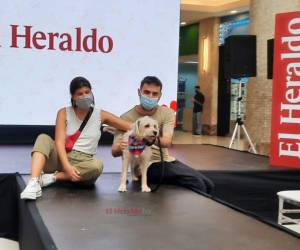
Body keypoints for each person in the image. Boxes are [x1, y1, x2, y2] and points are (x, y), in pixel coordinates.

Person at [21, 76, 131, 200]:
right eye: (80, 94)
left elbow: (130, 127)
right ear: (73, 96)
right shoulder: (63, 112)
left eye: (87, 92)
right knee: (43, 138)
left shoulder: (101, 114)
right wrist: (67, 166)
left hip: (83, 163)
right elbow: (59, 142)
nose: (85, 96)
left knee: (97, 166)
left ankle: (53, 177)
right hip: (61, 158)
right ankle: (33, 182)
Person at [112, 76, 214, 194]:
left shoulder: (167, 113)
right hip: (146, 165)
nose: (150, 96)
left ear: (160, 96)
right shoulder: (125, 117)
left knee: (208, 184)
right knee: (197, 183)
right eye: (146, 92)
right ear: (139, 92)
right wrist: (124, 144)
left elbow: (166, 142)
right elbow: (114, 151)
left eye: (155, 94)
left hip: (166, 160)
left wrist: (147, 137)